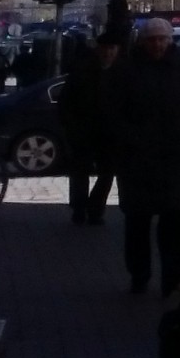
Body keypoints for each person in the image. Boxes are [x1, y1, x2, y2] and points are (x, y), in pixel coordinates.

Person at [101, 14, 180, 294]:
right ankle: (139, 273)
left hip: (177, 157)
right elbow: (112, 112)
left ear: (170, 40)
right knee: (137, 221)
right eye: (152, 40)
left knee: (175, 223)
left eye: (162, 39)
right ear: (143, 42)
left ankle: (171, 278)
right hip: (137, 159)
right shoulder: (127, 68)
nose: (158, 44)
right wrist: (129, 139)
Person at [59, 32, 119, 226]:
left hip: (109, 134)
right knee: (80, 172)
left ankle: (95, 209)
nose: (108, 53)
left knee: (107, 172)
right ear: (98, 49)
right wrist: (71, 127)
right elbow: (65, 101)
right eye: (105, 49)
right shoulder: (82, 71)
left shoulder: (121, 73)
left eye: (112, 49)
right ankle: (79, 209)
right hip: (83, 131)